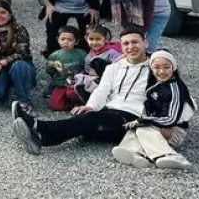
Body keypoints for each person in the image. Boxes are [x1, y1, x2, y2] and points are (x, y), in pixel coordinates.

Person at [11, 26, 152, 156]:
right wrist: (90, 106)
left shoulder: (157, 67)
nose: (130, 47)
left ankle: (37, 126)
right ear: (121, 46)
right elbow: (102, 90)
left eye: (135, 42)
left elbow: (169, 95)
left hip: (134, 119)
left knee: (90, 120)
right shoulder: (114, 67)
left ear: (145, 42)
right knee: (85, 120)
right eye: (126, 44)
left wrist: (163, 125)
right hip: (110, 110)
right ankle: (40, 139)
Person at [112, 50, 195, 170]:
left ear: (174, 68)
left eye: (166, 67)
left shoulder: (175, 88)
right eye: (157, 67)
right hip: (157, 126)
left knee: (142, 128)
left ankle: (171, 155)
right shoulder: (154, 83)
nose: (162, 71)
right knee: (135, 129)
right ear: (151, 68)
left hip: (174, 130)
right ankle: (136, 155)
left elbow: (171, 118)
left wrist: (142, 120)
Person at [72, 24, 122, 102]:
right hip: (96, 80)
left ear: (105, 39)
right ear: (86, 38)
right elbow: (87, 72)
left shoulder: (112, 53)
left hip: (113, 81)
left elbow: (121, 67)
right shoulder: (89, 57)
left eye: (98, 39)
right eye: (91, 39)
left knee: (97, 62)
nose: (94, 42)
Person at [46, 26, 87, 112]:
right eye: (63, 39)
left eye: (70, 40)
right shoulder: (55, 55)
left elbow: (86, 68)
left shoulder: (82, 54)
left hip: (75, 84)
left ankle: (77, 103)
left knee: (72, 94)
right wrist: (52, 66)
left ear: (76, 41)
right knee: (55, 106)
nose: (66, 42)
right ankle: (68, 104)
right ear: (58, 39)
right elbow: (49, 71)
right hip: (60, 84)